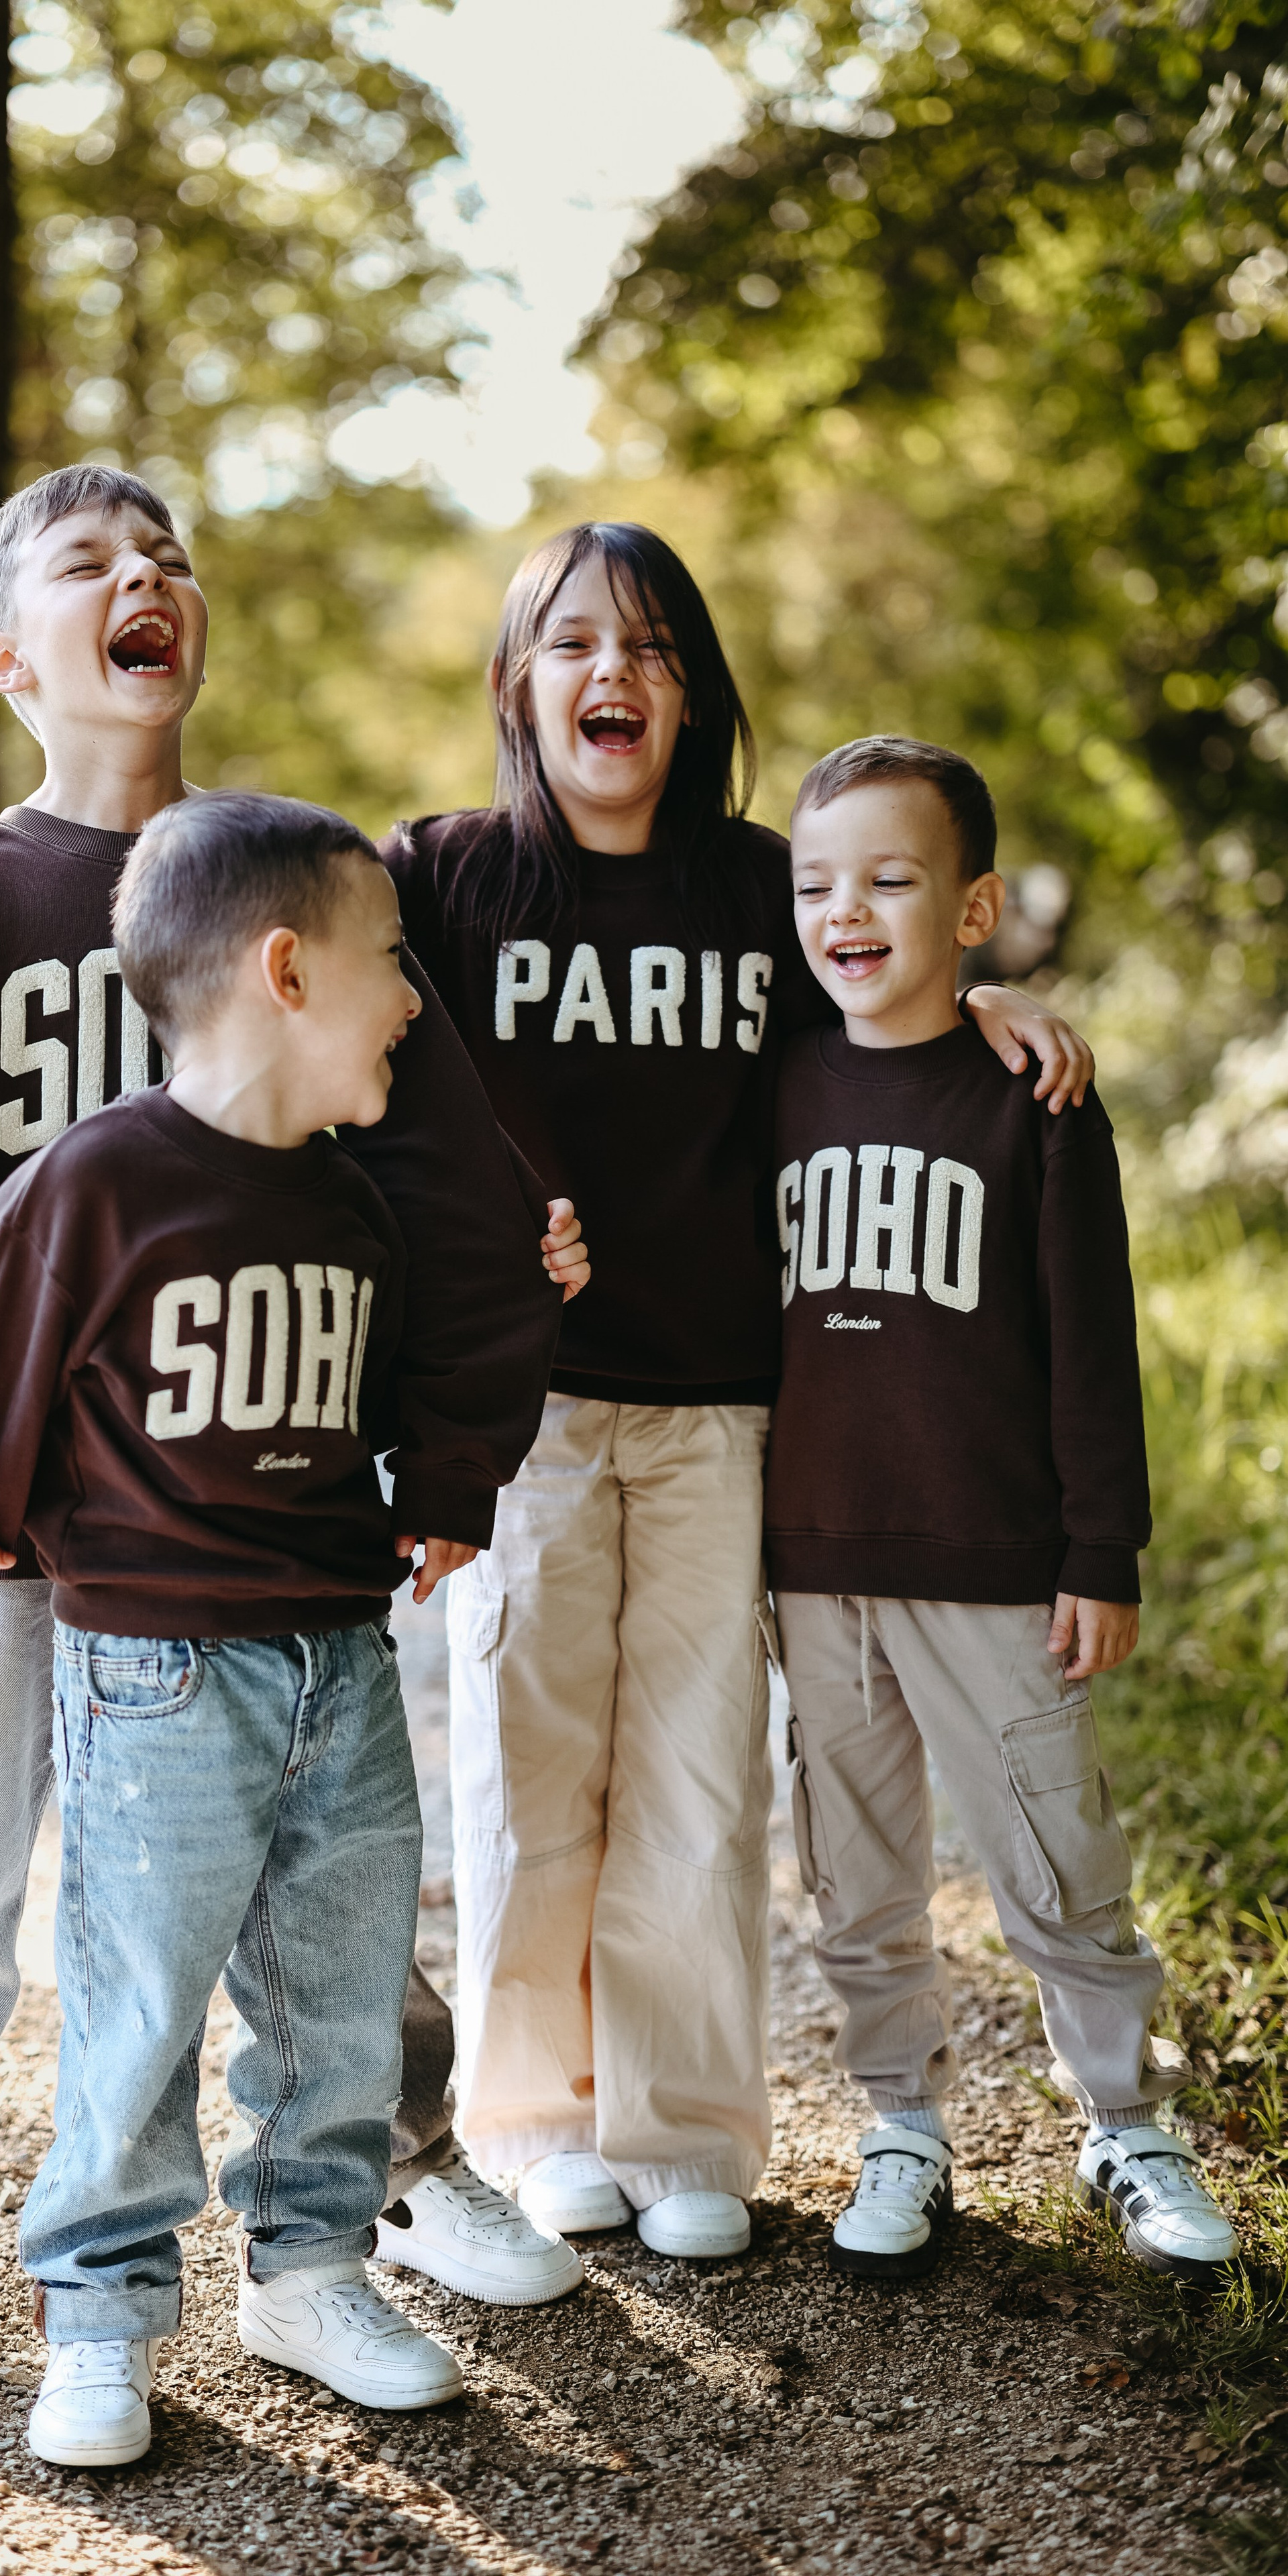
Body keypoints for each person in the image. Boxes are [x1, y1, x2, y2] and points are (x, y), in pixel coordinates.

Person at [0, 466, 585, 2408]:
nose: (145, 581)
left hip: (251, 1484)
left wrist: (464, 1421)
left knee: (325, 1867)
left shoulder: (278, 887)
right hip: (25, 1498)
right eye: (89, 567)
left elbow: (452, 1168)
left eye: (170, 561)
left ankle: (387, 2173)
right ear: (2, 654)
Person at [374, 524, 1097, 2261]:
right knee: (531, 1780)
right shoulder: (445, 877)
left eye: (651, 648)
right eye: (571, 647)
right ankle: (537, 2116)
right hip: (523, 1421)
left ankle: (686, 2128)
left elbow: (883, 989)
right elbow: (282, 976)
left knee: (700, 1780)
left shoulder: (762, 889)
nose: (610, 675)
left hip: (723, 1407)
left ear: (694, 693)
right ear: (517, 688)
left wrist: (982, 1001)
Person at [0, 791, 492, 2460]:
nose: (410, 1001)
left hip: (340, 1665)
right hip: (155, 1675)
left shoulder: (352, 1205)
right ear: (286, 971)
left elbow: (393, 1398)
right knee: (140, 1998)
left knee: (340, 1987)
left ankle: (306, 2268)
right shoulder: (93, 1187)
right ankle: (97, 2310)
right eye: (392, 967)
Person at [769, 733, 1235, 2286]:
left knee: (1055, 1862)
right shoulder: (765, 1075)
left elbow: (1089, 1341)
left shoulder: (1031, 1096)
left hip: (991, 1563)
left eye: (890, 882)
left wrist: (1098, 1547)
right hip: (817, 1559)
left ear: (970, 912)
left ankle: (1122, 2120)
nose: (848, 911)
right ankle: (899, 2120)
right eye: (816, 883)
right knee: (856, 1879)